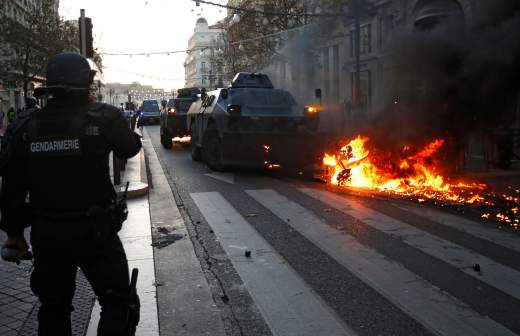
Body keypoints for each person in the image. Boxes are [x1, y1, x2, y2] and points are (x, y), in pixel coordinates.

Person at [0, 52, 142, 335]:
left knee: (53, 308)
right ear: (87, 83)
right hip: (96, 231)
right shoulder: (104, 117)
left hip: (48, 232)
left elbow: (12, 186)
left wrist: (14, 234)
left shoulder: (26, 126)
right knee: (117, 304)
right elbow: (130, 148)